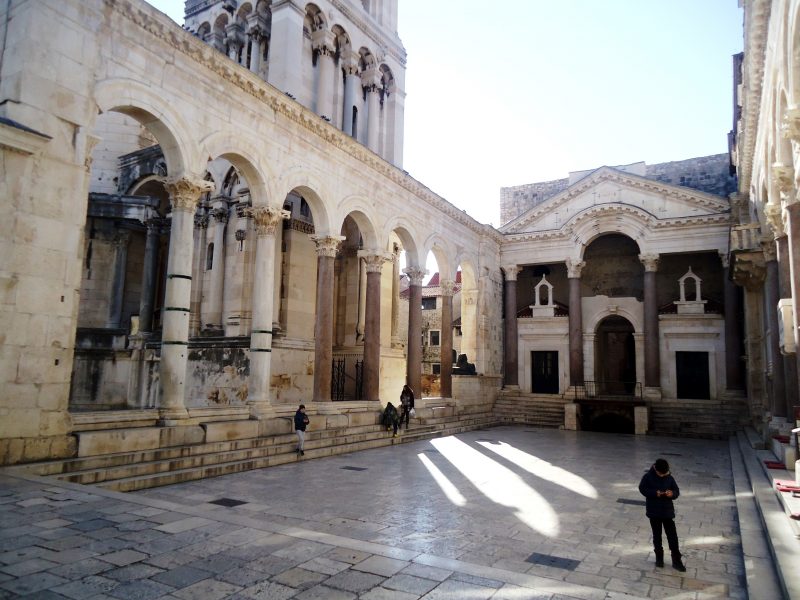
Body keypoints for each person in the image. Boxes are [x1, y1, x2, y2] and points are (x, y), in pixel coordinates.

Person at [638, 458, 686, 572]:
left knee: (672, 537)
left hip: (667, 512)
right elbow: (642, 489)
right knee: (657, 535)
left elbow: (676, 491)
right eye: (661, 473)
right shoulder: (647, 477)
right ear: (656, 469)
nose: (663, 475)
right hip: (654, 512)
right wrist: (655, 493)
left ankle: (677, 560)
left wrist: (672, 493)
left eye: (665, 473)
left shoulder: (669, 477)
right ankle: (659, 559)